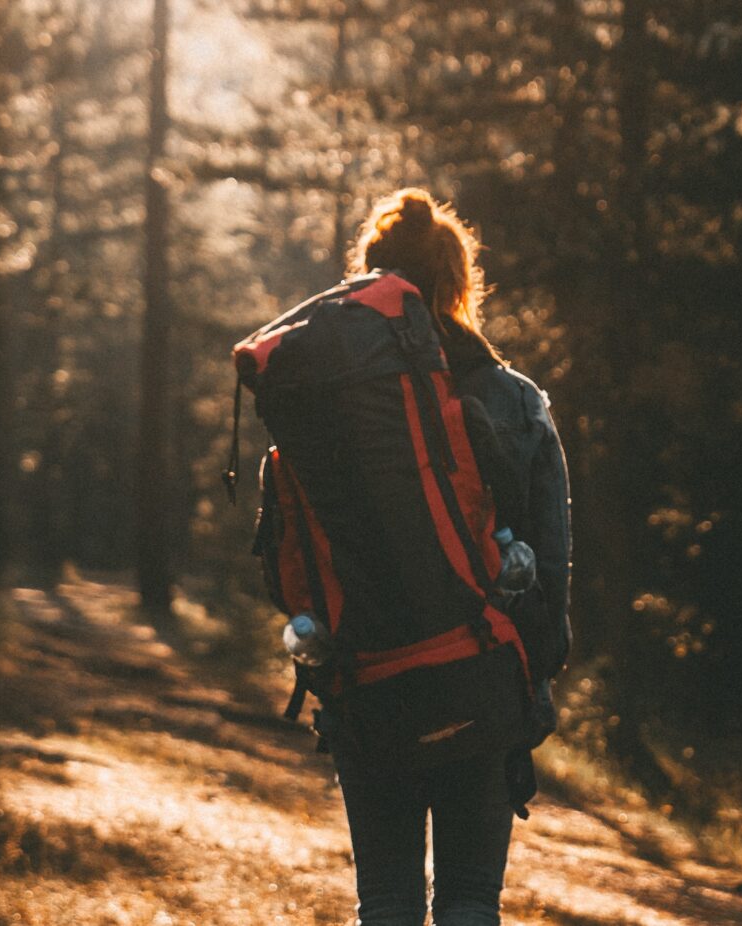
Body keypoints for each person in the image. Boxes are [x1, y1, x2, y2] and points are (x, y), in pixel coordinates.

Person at [322, 188, 572, 926]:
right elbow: (550, 571)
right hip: (484, 682)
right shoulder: (515, 402)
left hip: (367, 685)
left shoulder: (330, 404)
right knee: (468, 900)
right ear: (458, 285)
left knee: (388, 903)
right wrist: (537, 679)